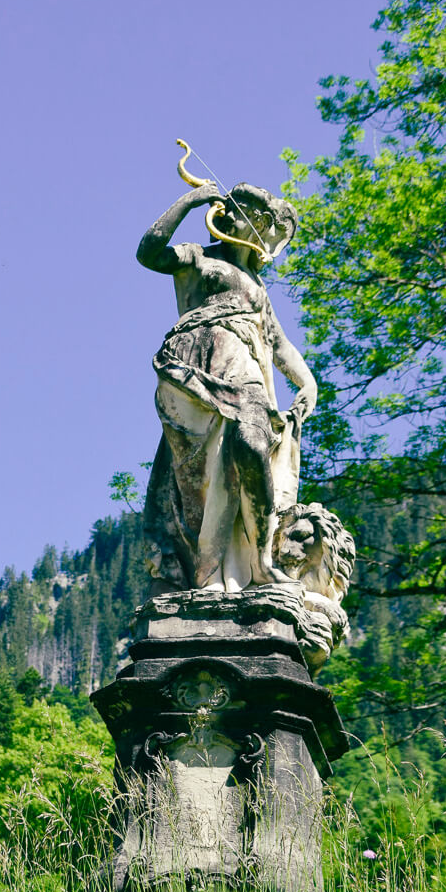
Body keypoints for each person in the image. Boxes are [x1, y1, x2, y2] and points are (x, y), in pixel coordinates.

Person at [138, 179, 317, 592]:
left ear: (256, 226)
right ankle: (204, 566)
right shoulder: (199, 257)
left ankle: (261, 561)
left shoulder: (257, 287)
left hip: (242, 369)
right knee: (196, 480)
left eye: (240, 211)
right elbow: (148, 253)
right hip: (189, 369)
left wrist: (307, 383)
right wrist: (187, 200)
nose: (226, 213)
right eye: (229, 207)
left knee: (253, 446)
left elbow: (278, 343)